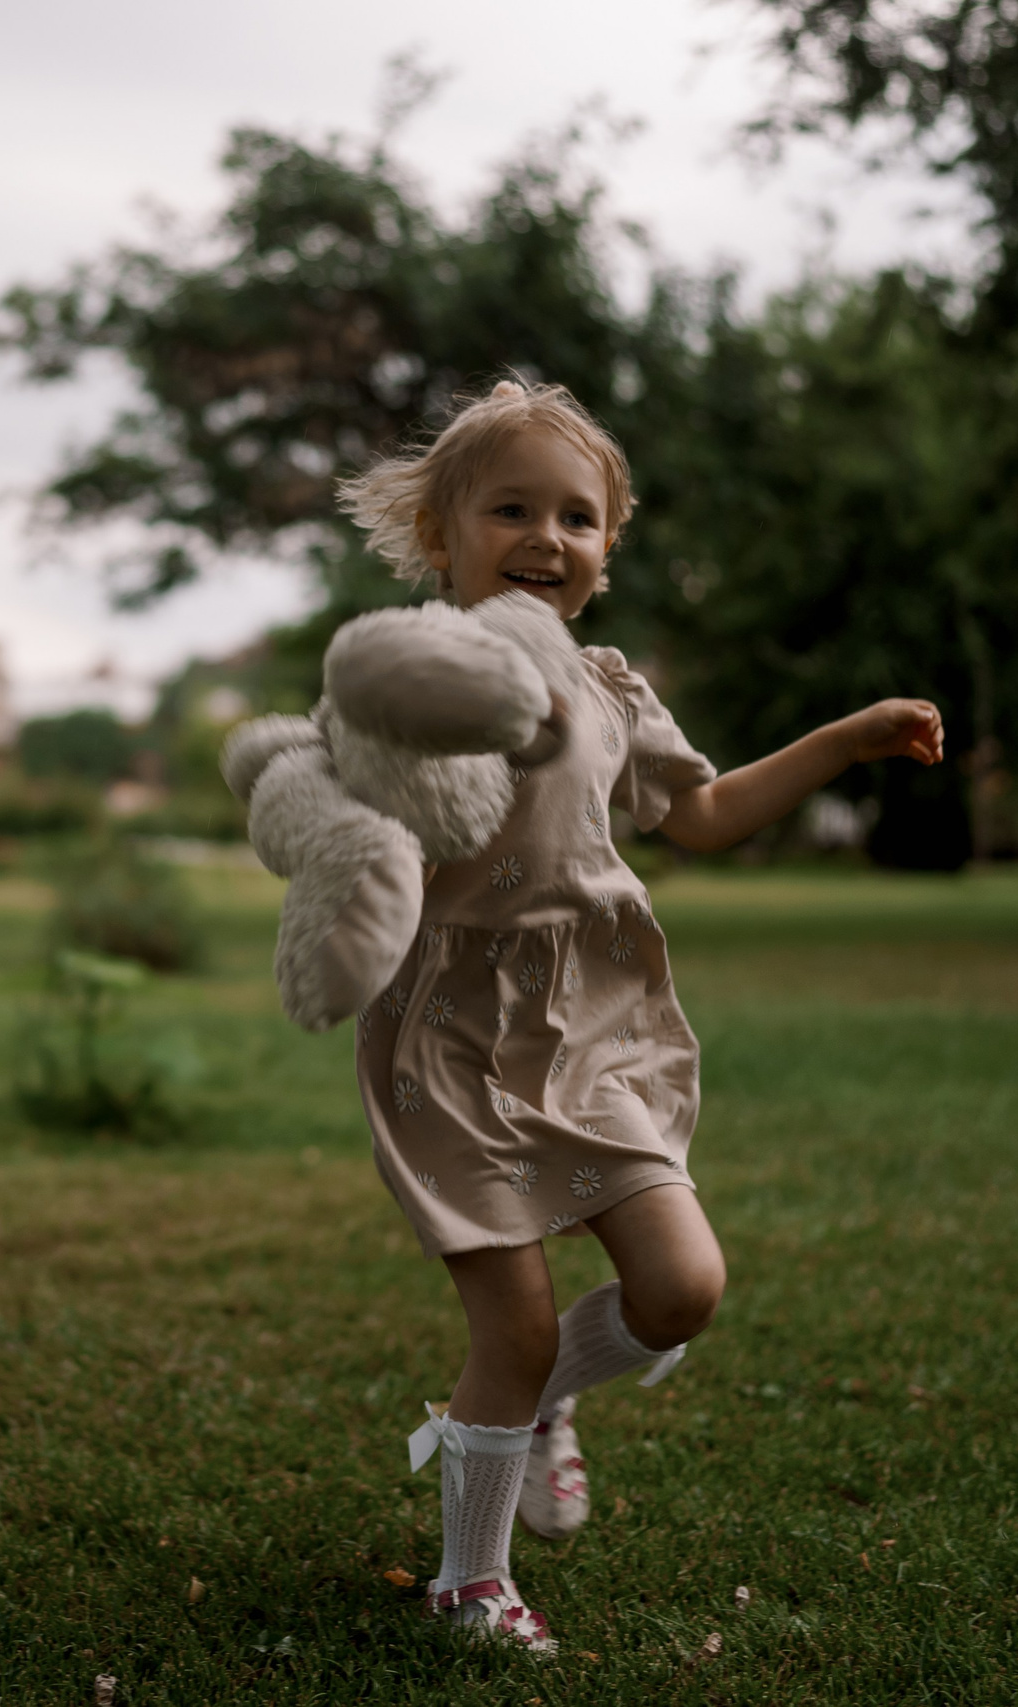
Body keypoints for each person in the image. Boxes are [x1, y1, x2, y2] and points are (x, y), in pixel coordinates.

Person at [329, 379, 944, 1653]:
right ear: (443, 535)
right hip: (449, 1035)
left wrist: (845, 738)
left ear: (606, 552)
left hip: (588, 1021)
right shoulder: (411, 681)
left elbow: (704, 815)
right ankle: (468, 1580)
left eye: (578, 518)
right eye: (510, 510)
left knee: (681, 1289)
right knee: (514, 1321)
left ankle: (543, 1406)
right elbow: (349, 824)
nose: (546, 538)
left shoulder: (612, 688)